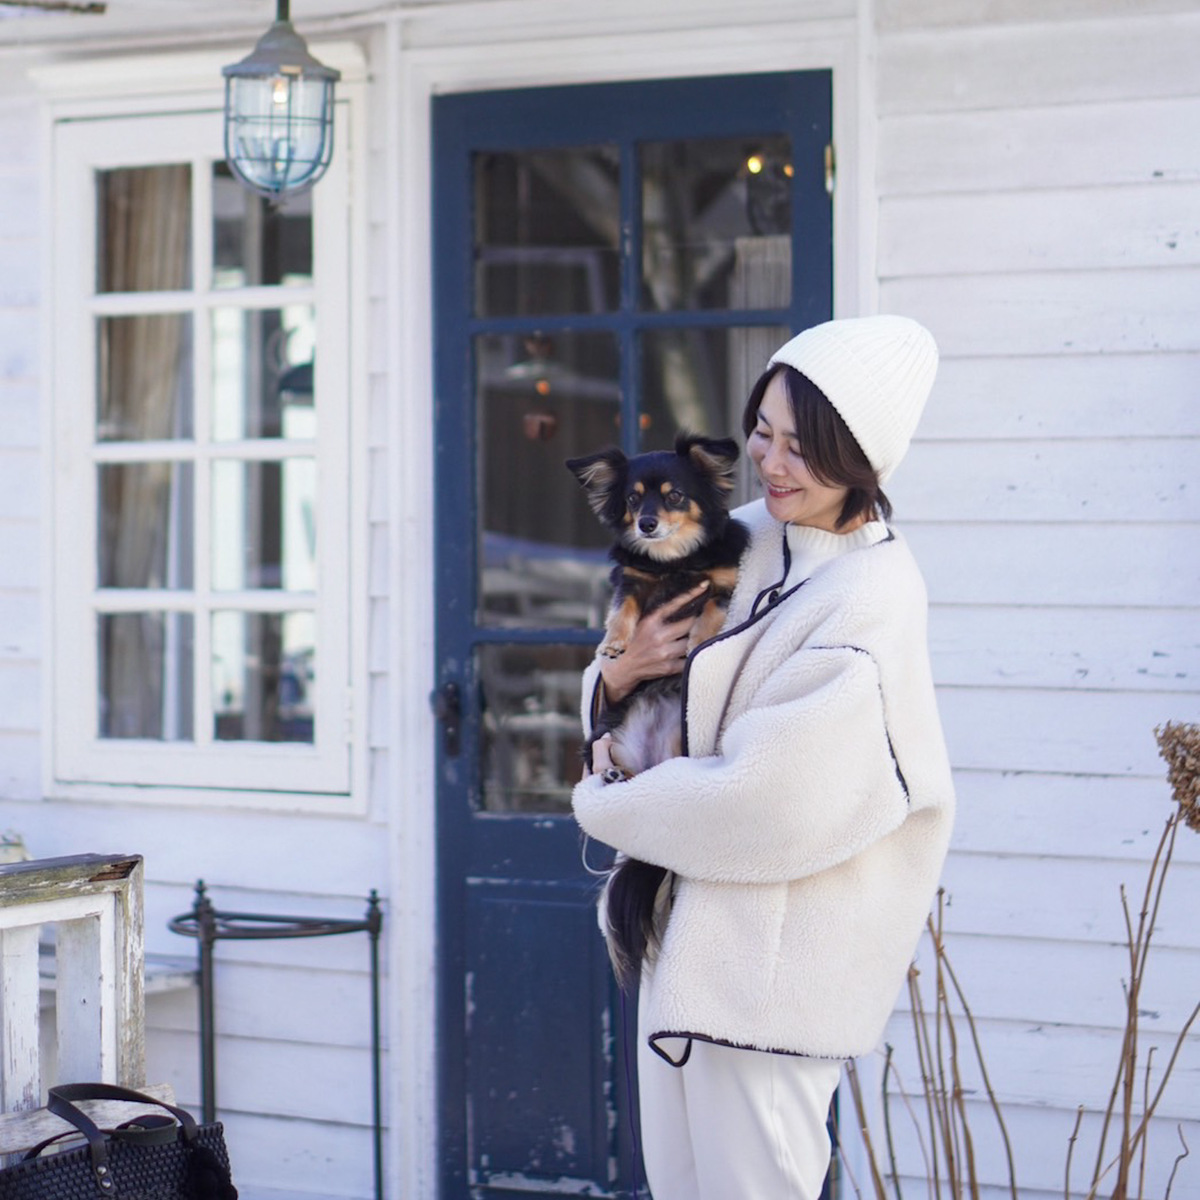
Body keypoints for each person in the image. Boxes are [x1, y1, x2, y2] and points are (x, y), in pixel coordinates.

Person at [571, 315, 956, 1200]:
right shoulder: (740, 536)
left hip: (770, 980)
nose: (771, 463)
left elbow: (767, 802)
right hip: (680, 945)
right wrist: (616, 673)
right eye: (763, 432)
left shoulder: (867, 600)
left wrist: (602, 802)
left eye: (802, 448)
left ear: (861, 460)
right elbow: (617, 679)